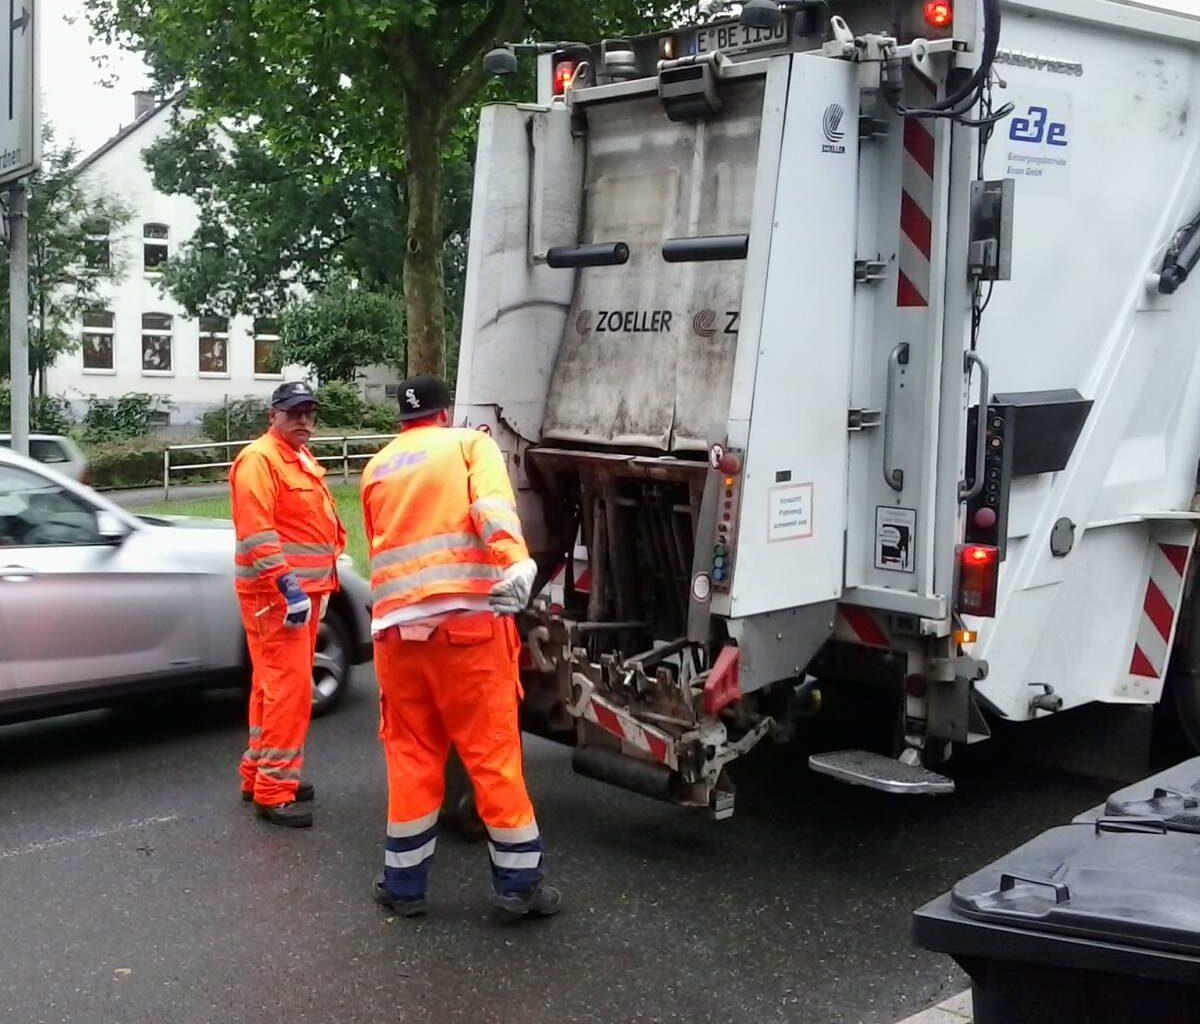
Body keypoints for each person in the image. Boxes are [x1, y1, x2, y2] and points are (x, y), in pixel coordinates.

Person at [361, 373, 560, 919]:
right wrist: (516, 563)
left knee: (411, 760)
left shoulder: (377, 466)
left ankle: (404, 889)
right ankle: (518, 887)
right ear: (444, 413)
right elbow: (492, 510)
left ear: (402, 420)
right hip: (467, 633)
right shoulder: (470, 444)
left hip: (397, 638)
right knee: (492, 757)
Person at [230, 381, 346, 828]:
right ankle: (274, 790)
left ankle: (258, 772)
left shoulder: (297, 457)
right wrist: (288, 587)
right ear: (272, 414)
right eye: (294, 412)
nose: (303, 420)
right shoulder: (261, 459)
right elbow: (258, 532)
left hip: (298, 594)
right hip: (278, 597)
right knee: (290, 691)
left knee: (270, 686)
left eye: (309, 412)